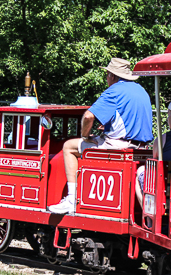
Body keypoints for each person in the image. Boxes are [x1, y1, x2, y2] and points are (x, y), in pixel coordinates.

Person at [48, 58, 154, 214]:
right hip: (142, 148)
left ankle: (71, 199)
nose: (106, 78)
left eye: (107, 75)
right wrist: (108, 127)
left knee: (68, 147)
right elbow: (130, 119)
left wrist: (85, 136)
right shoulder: (141, 90)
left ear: (112, 75)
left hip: (119, 146)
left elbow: (89, 116)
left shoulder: (115, 90)